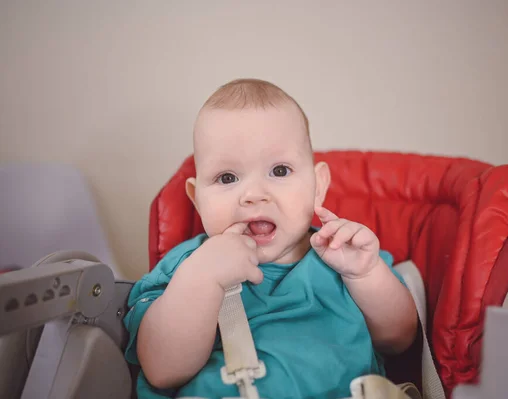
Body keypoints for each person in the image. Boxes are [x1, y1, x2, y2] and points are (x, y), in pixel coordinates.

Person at [123, 78, 418, 399]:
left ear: (318, 186)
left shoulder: (345, 256)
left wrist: (364, 274)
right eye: (227, 177)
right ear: (197, 199)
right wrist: (200, 280)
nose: (253, 195)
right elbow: (161, 370)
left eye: (279, 171)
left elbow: (400, 340)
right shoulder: (185, 267)